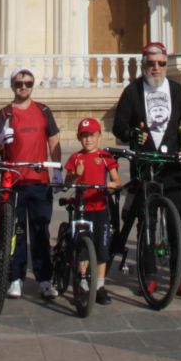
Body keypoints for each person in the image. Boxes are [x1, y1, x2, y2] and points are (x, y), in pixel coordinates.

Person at [109, 41, 181, 287]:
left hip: (172, 166)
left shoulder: (176, 91)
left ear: (166, 65)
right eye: (151, 64)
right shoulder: (132, 91)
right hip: (145, 165)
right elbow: (119, 127)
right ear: (143, 65)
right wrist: (132, 133)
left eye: (161, 64)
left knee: (176, 221)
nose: (156, 68)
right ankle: (149, 274)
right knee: (147, 221)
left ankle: (180, 274)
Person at [0, 67, 62, 300]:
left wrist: (57, 170)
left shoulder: (43, 110)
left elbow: (53, 139)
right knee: (15, 232)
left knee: (41, 231)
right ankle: (15, 278)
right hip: (14, 180)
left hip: (39, 180)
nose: (23, 87)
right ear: (12, 85)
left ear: (33, 85)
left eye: (28, 83)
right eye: (19, 83)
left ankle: (44, 279)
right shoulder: (5, 113)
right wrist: (1, 139)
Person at [63, 118, 120, 306]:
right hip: (82, 208)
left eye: (92, 136)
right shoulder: (75, 158)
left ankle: (100, 286)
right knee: (82, 248)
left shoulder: (105, 157)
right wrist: (76, 174)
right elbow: (67, 183)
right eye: (84, 136)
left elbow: (117, 181)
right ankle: (83, 283)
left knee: (102, 248)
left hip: (100, 207)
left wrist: (110, 185)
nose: (88, 140)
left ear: (99, 136)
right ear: (79, 138)